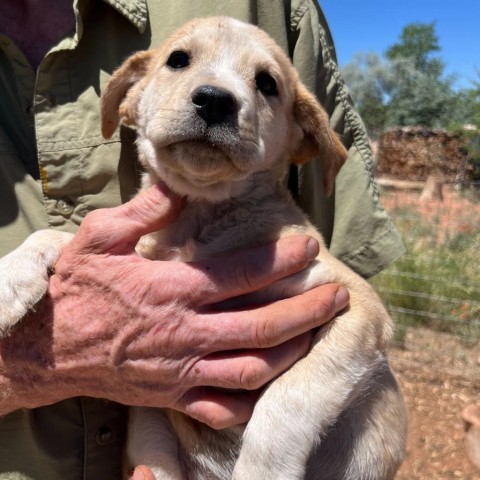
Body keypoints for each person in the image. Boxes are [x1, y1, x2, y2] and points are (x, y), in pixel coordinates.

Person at [0, 0, 404, 479]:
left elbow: (365, 316)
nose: (217, 94)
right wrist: (43, 249)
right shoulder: (139, 245)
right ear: (130, 98)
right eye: (180, 61)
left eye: (265, 84)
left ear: (298, 135)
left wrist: (269, 456)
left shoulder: (283, 240)